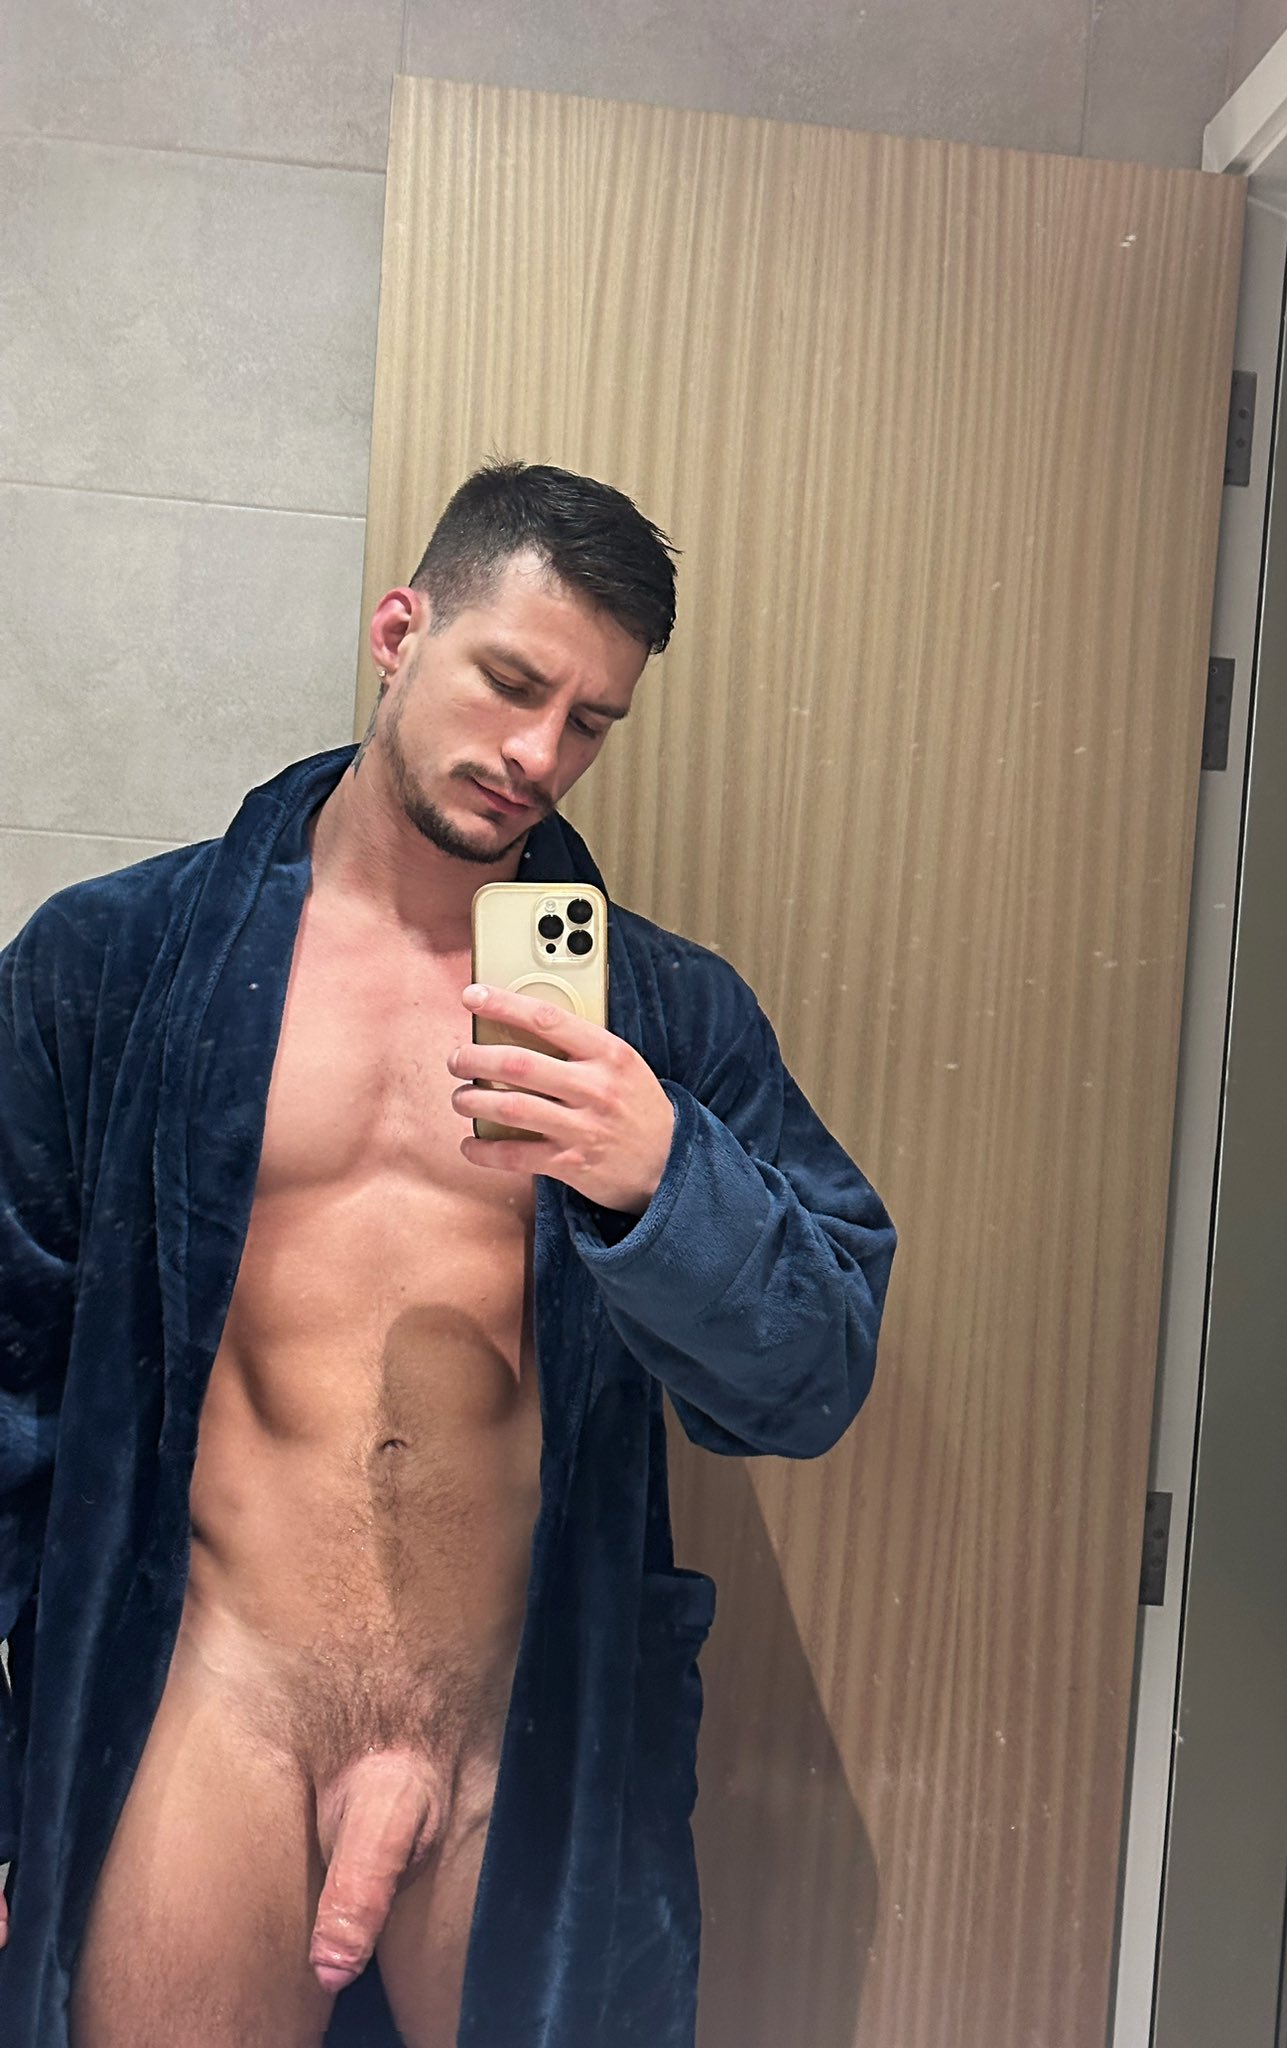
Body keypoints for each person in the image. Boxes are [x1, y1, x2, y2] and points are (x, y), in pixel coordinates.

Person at [0, 462, 896, 2048]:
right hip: (217, 1698)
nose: (541, 753)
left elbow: (811, 1377)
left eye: (592, 721)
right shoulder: (115, 964)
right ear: (399, 631)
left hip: (514, 1725)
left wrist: (661, 1177)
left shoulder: (661, 1017)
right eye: (512, 682)